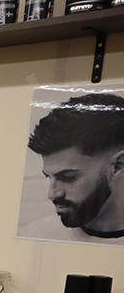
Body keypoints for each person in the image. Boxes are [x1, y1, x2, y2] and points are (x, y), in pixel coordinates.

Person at [21, 92, 124, 243]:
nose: (52, 194)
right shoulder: (38, 234)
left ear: (118, 165)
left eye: (69, 177)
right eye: (48, 177)